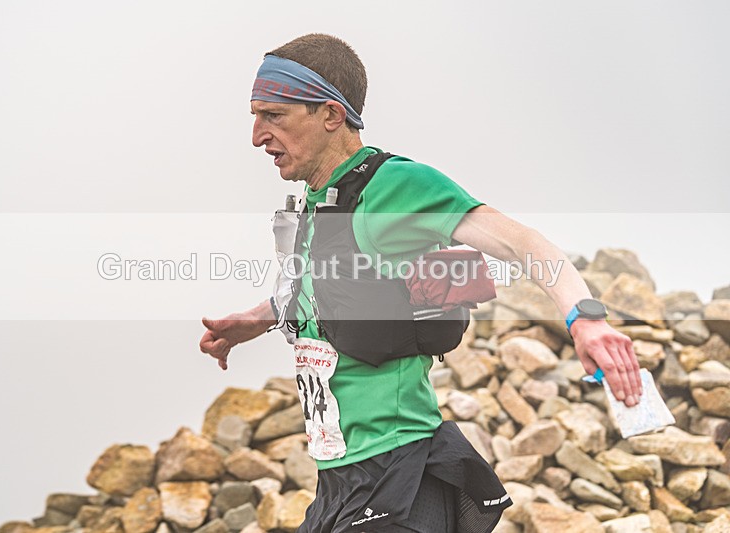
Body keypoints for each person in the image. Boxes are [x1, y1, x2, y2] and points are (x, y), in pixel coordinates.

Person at [200, 33, 642, 532]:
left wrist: (584, 319)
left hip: (400, 472)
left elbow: (524, 243)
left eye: (273, 116)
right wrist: (257, 320)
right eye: (254, 117)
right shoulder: (316, 199)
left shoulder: (394, 187)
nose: (257, 136)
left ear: (330, 114)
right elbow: (326, 291)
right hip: (336, 480)